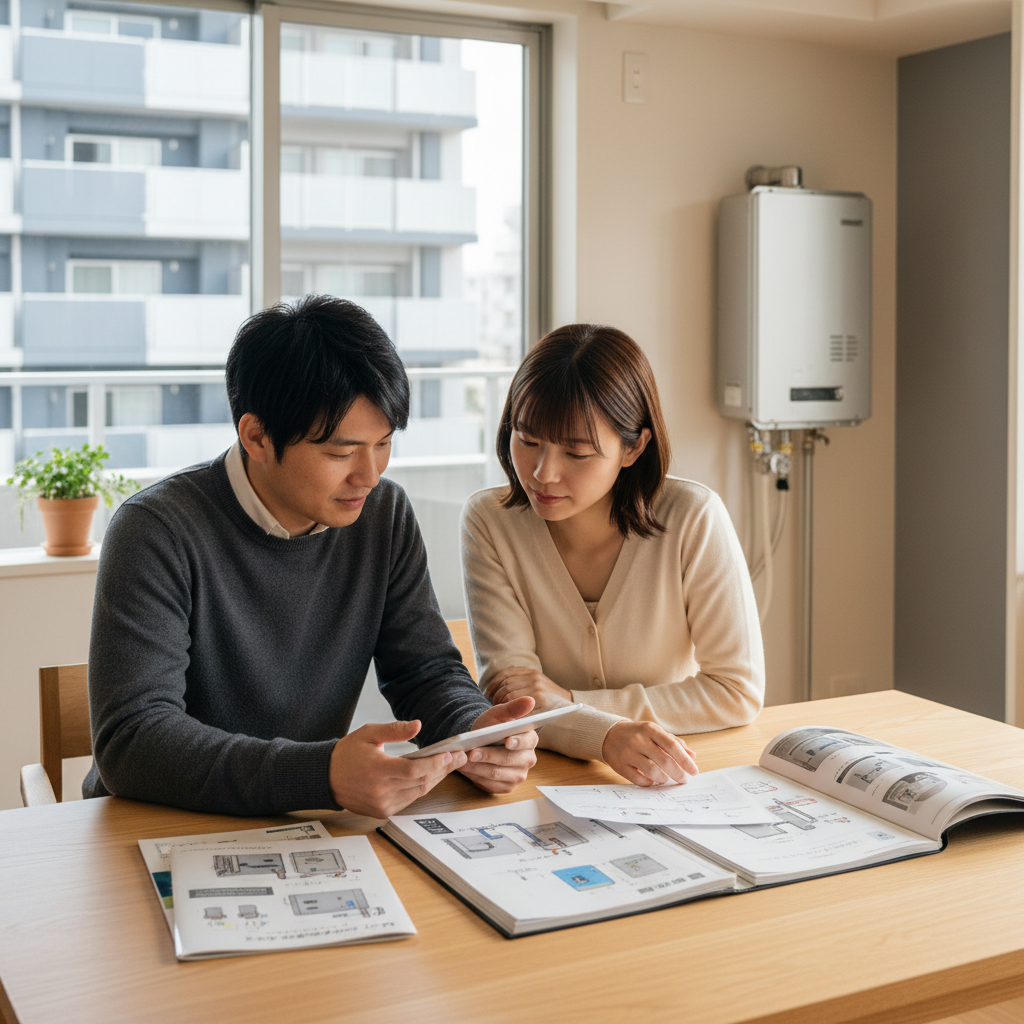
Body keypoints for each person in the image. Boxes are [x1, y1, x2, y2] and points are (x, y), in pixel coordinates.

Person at [85, 294, 539, 817]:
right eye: (340, 453)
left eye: (384, 444)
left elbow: (424, 670)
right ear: (256, 436)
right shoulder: (157, 531)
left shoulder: (382, 514)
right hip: (157, 824)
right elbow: (133, 740)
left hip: (300, 825)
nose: (368, 475)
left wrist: (475, 727)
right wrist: (320, 775)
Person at [461, 323, 765, 787]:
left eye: (576, 454)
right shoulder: (490, 520)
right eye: (527, 440)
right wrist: (604, 734)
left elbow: (735, 692)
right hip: (543, 781)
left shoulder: (692, 518)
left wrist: (573, 702)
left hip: (676, 770)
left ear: (633, 447)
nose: (543, 473)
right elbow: (514, 699)